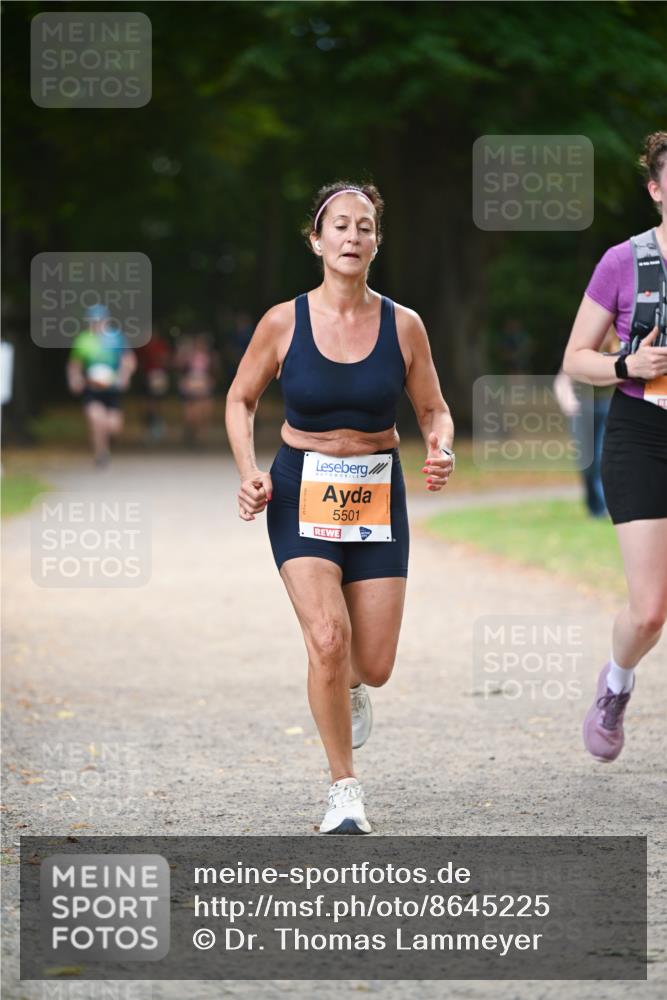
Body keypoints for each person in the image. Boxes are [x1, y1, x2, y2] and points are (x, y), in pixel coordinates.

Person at [225, 182, 454, 834]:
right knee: (328, 637)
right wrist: (249, 472)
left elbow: (433, 409)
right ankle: (343, 790)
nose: (352, 236)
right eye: (340, 226)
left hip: (377, 491)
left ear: (377, 242)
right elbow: (240, 399)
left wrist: (440, 447)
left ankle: (347, 685)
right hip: (301, 486)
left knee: (372, 664)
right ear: (317, 240)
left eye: (365, 227)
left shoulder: (403, 325)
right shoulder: (283, 322)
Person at [562, 132, 667, 762]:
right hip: (642, 434)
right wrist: (629, 364)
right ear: (656, 190)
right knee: (650, 612)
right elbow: (577, 358)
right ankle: (617, 682)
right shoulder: (623, 261)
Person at [67, 304, 136, 466]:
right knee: (96, 420)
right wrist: (75, 379)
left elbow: (129, 360)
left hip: (112, 390)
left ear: (106, 321)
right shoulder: (83, 340)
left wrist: (125, 376)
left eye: (99, 320)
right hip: (92, 389)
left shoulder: (117, 338)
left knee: (113, 427)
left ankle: (107, 444)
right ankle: (101, 454)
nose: (96, 324)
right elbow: (74, 364)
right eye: (93, 321)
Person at [174, 332, 219, 446]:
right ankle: (191, 432)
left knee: (204, 412)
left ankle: (200, 436)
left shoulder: (211, 356)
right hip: (191, 385)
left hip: (204, 385)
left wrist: (211, 380)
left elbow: (214, 370)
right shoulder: (189, 356)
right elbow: (180, 367)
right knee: (191, 414)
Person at [136, 328, 171, 443]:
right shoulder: (143, 346)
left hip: (159, 376)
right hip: (147, 377)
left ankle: (158, 422)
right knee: (148, 403)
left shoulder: (160, 345)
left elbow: (165, 359)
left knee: (158, 401)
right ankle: (150, 425)